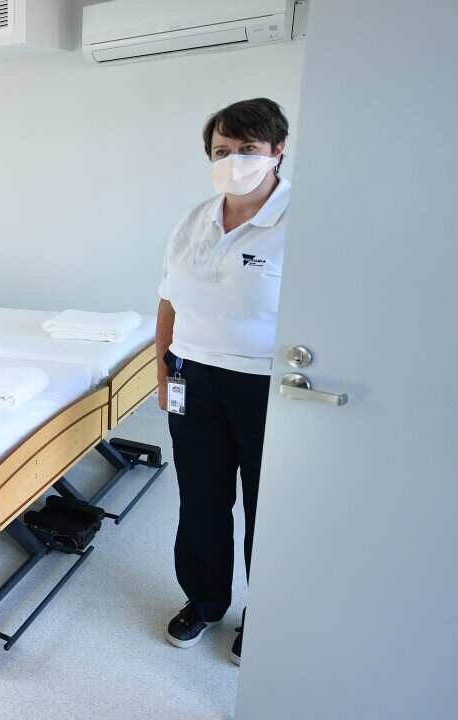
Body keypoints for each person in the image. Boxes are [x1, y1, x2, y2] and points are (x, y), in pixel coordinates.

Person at [155, 98, 291, 667]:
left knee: (270, 506)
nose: (234, 161)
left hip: (267, 386)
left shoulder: (301, 221)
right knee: (201, 498)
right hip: (194, 376)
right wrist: (163, 370)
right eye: (222, 150)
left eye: (248, 149)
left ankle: (268, 612)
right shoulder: (196, 219)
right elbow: (168, 300)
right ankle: (205, 600)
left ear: (277, 150)